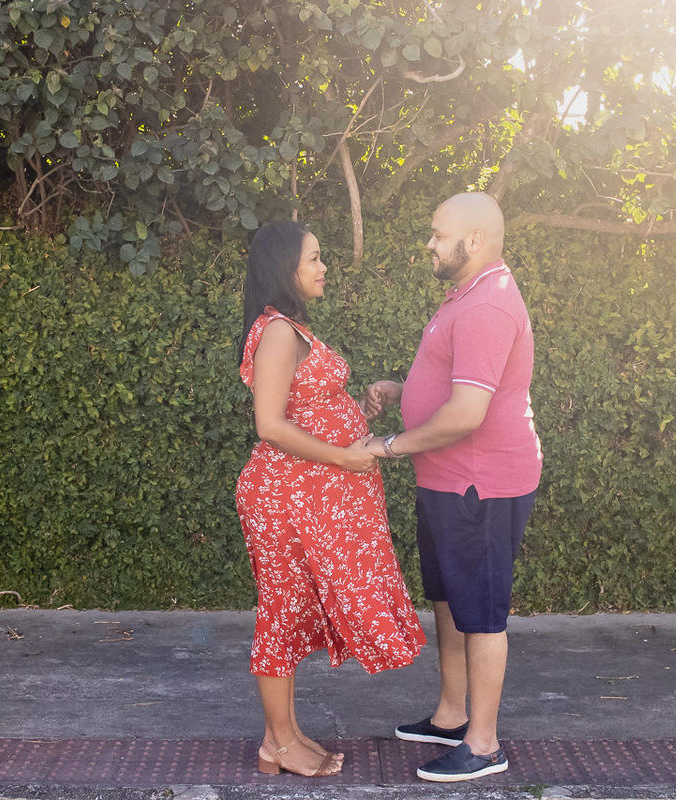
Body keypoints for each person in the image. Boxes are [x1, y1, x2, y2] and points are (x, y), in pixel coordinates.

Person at [235, 221, 426, 779]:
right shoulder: (275, 331)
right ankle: (277, 743)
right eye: (314, 258)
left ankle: (287, 734)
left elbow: (305, 413)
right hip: (282, 496)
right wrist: (344, 457)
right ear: (283, 267)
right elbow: (270, 424)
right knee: (281, 610)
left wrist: (357, 415)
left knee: (293, 611)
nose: (323, 268)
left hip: (304, 494)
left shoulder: (291, 328)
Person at [363, 192, 542, 783]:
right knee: (446, 600)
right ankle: (451, 715)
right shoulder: (464, 295)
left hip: (479, 486)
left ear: (474, 242)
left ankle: (484, 745)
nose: (429, 244)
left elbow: (468, 413)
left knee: (481, 614)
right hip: (447, 479)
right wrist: (401, 388)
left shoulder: (488, 305)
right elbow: (451, 380)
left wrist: (388, 446)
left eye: (438, 235)